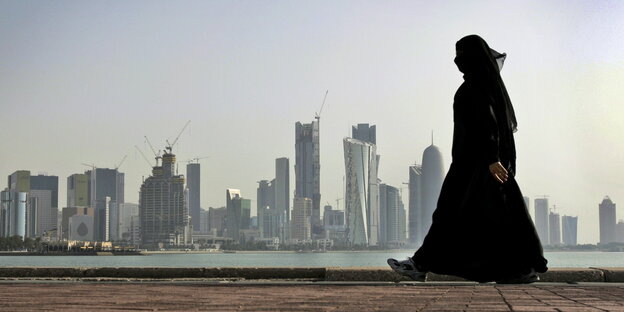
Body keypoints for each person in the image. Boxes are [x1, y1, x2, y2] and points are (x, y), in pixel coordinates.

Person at [388, 35, 548, 283]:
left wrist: (492, 158)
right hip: (476, 163)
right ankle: (516, 269)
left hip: (477, 165)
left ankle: (420, 264)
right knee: (489, 217)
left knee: (451, 214)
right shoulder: (480, 85)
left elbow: (488, 124)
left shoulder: (477, 88)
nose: (456, 60)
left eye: (461, 54)